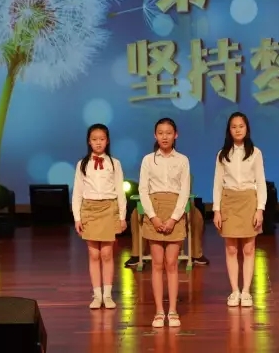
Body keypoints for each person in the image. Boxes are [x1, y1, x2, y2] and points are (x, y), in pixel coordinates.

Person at [138, 117, 190, 328]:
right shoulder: (148, 160)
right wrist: (153, 216)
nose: (165, 137)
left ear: (176, 135)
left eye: (169, 133)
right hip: (154, 210)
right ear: (155, 135)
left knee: (172, 264)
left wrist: (174, 218)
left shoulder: (183, 160)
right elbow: (143, 190)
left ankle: (173, 310)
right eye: (160, 133)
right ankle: (159, 311)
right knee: (157, 264)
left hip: (174, 211)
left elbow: (184, 191)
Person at [212, 112, 267, 308]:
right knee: (231, 248)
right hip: (229, 201)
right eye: (234, 127)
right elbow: (217, 184)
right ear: (229, 130)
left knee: (249, 248)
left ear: (247, 129)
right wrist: (216, 210)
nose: (237, 130)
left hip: (249, 200)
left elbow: (261, 182)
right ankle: (234, 291)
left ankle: (246, 291)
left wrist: (260, 209)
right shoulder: (222, 154)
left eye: (241, 126)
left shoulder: (255, 153)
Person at [72, 124, 127, 310]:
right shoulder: (82, 164)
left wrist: (122, 216)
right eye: (94, 139)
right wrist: (77, 217)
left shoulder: (114, 163)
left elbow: (120, 190)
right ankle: (97, 295)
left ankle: (108, 295)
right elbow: (77, 192)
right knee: (94, 254)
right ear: (89, 141)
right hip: (89, 209)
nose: (98, 143)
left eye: (102, 139)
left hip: (109, 208)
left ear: (107, 141)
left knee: (106, 253)